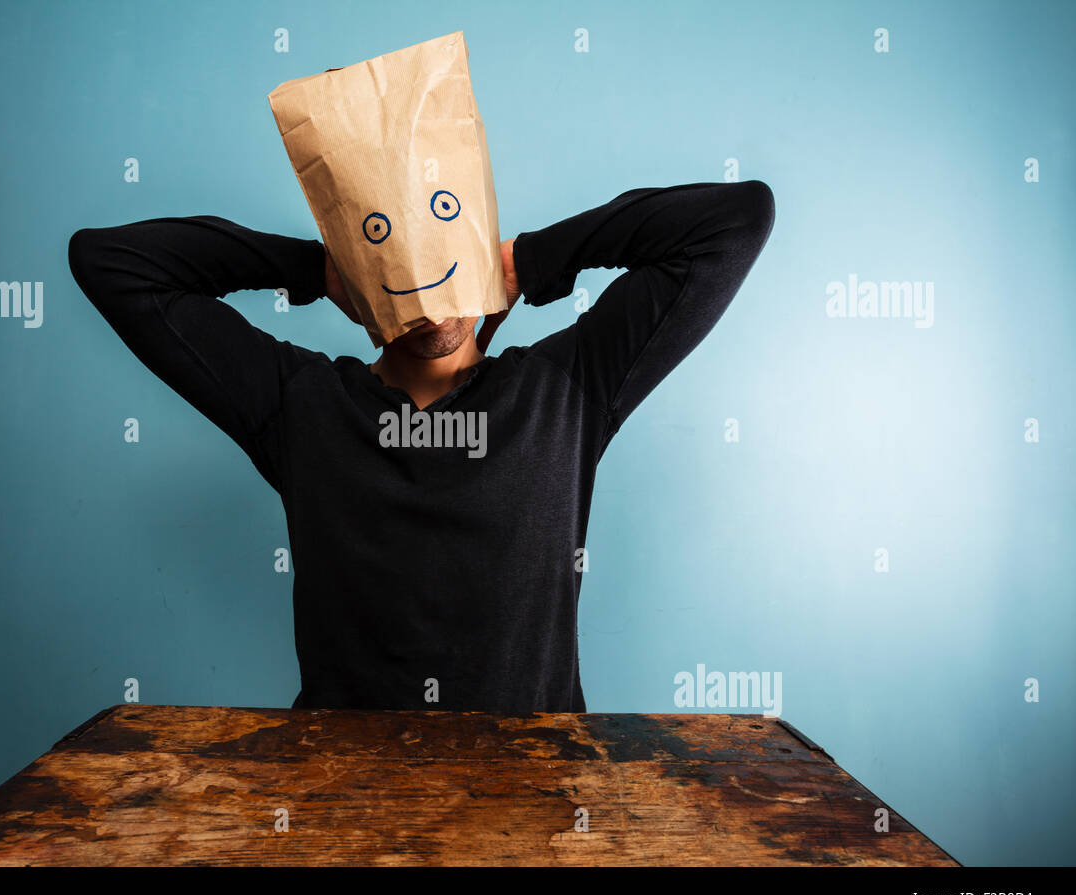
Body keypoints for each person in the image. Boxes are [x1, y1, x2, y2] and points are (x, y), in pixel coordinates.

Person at [67, 180, 775, 712]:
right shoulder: (298, 403)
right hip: (342, 812)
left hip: (538, 811)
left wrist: (528, 262)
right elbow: (111, 262)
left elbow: (736, 221)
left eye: (446, 251)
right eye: (397, 260)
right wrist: (317, 270)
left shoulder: (569, 388)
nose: (430, 283)